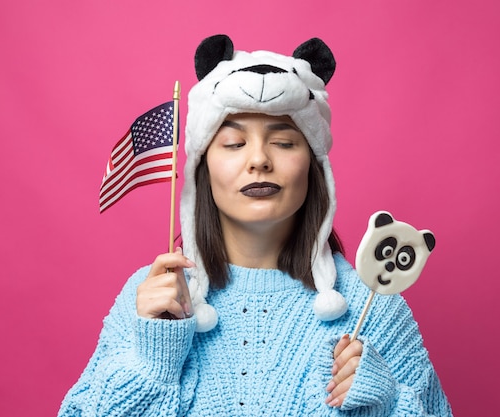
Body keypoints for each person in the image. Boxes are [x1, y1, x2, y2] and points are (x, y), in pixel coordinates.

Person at [58, 34, 453, 416]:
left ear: (315, 167)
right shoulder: (153, 298)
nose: (259, 159)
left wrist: (384, 404)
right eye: (233, 143)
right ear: (203, 167)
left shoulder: (375, 305)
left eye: (283, 143)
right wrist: (152, 360)